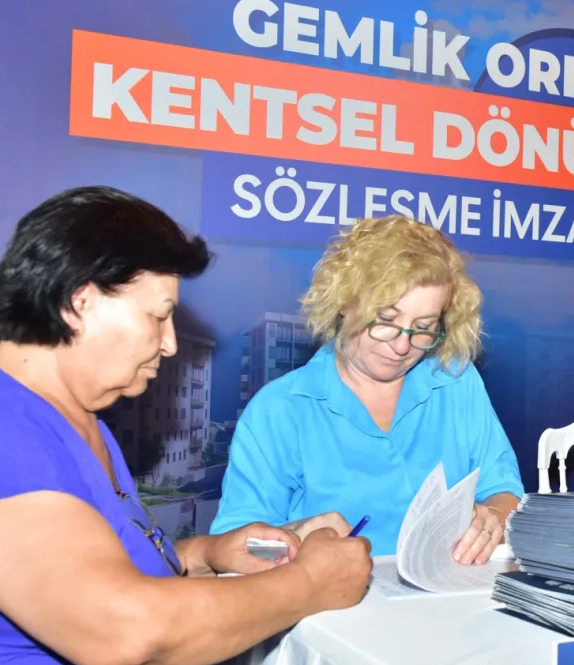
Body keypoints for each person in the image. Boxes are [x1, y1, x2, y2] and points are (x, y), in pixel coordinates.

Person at [0, 187, 371, 665]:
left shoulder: (78, 423)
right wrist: (310, 582)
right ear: (80, 303)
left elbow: (90, 570)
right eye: (158, 316)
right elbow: (125, 634)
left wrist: (207, 555)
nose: (170, 343)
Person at [211, 215, 524, 565]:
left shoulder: (455, 381)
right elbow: (233, 548)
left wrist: (492, 518)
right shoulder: (280, 409)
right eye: (386, 320)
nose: (402, 346)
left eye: (423, 327)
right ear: (344, 304)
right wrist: (296, 536)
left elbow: (504, 490)